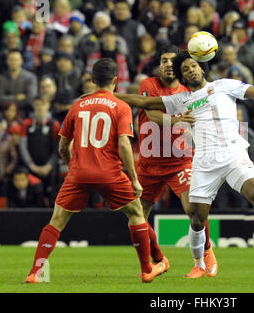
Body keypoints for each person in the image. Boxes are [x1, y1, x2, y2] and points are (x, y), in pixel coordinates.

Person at [113, 50, 254, 277]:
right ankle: (199, 265)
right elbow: (142, 101)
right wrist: (108, 95)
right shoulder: (180, 99)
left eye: (193, 66)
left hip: (233, 154)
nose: (190, 70)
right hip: (204, 162)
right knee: (196, 219)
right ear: (183, 78)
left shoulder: (225, 85)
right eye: (185, 69)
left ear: (202, 68)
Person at [23, 58, 166, 284]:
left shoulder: (78, 105)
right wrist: (135, 179)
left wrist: (72, 166)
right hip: (110, 173)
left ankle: (35, 272)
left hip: (78, 173)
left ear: (92, 80)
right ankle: (148, 268)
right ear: (116, 81)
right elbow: (124, 144)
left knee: (57, 221)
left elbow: (62, 146)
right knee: (137, 215)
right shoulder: (121, 106)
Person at [136, 45, 217, 277]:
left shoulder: (188, 91)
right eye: (164, 60)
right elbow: (151, 115)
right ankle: (159, 259)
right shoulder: (148, 85)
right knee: (137, 217)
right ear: (159, 65)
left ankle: (207, 251)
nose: (168, 64)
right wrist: (179, 119)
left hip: (179, 161)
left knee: (193, 209)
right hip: (149, 163)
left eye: (172, 61)